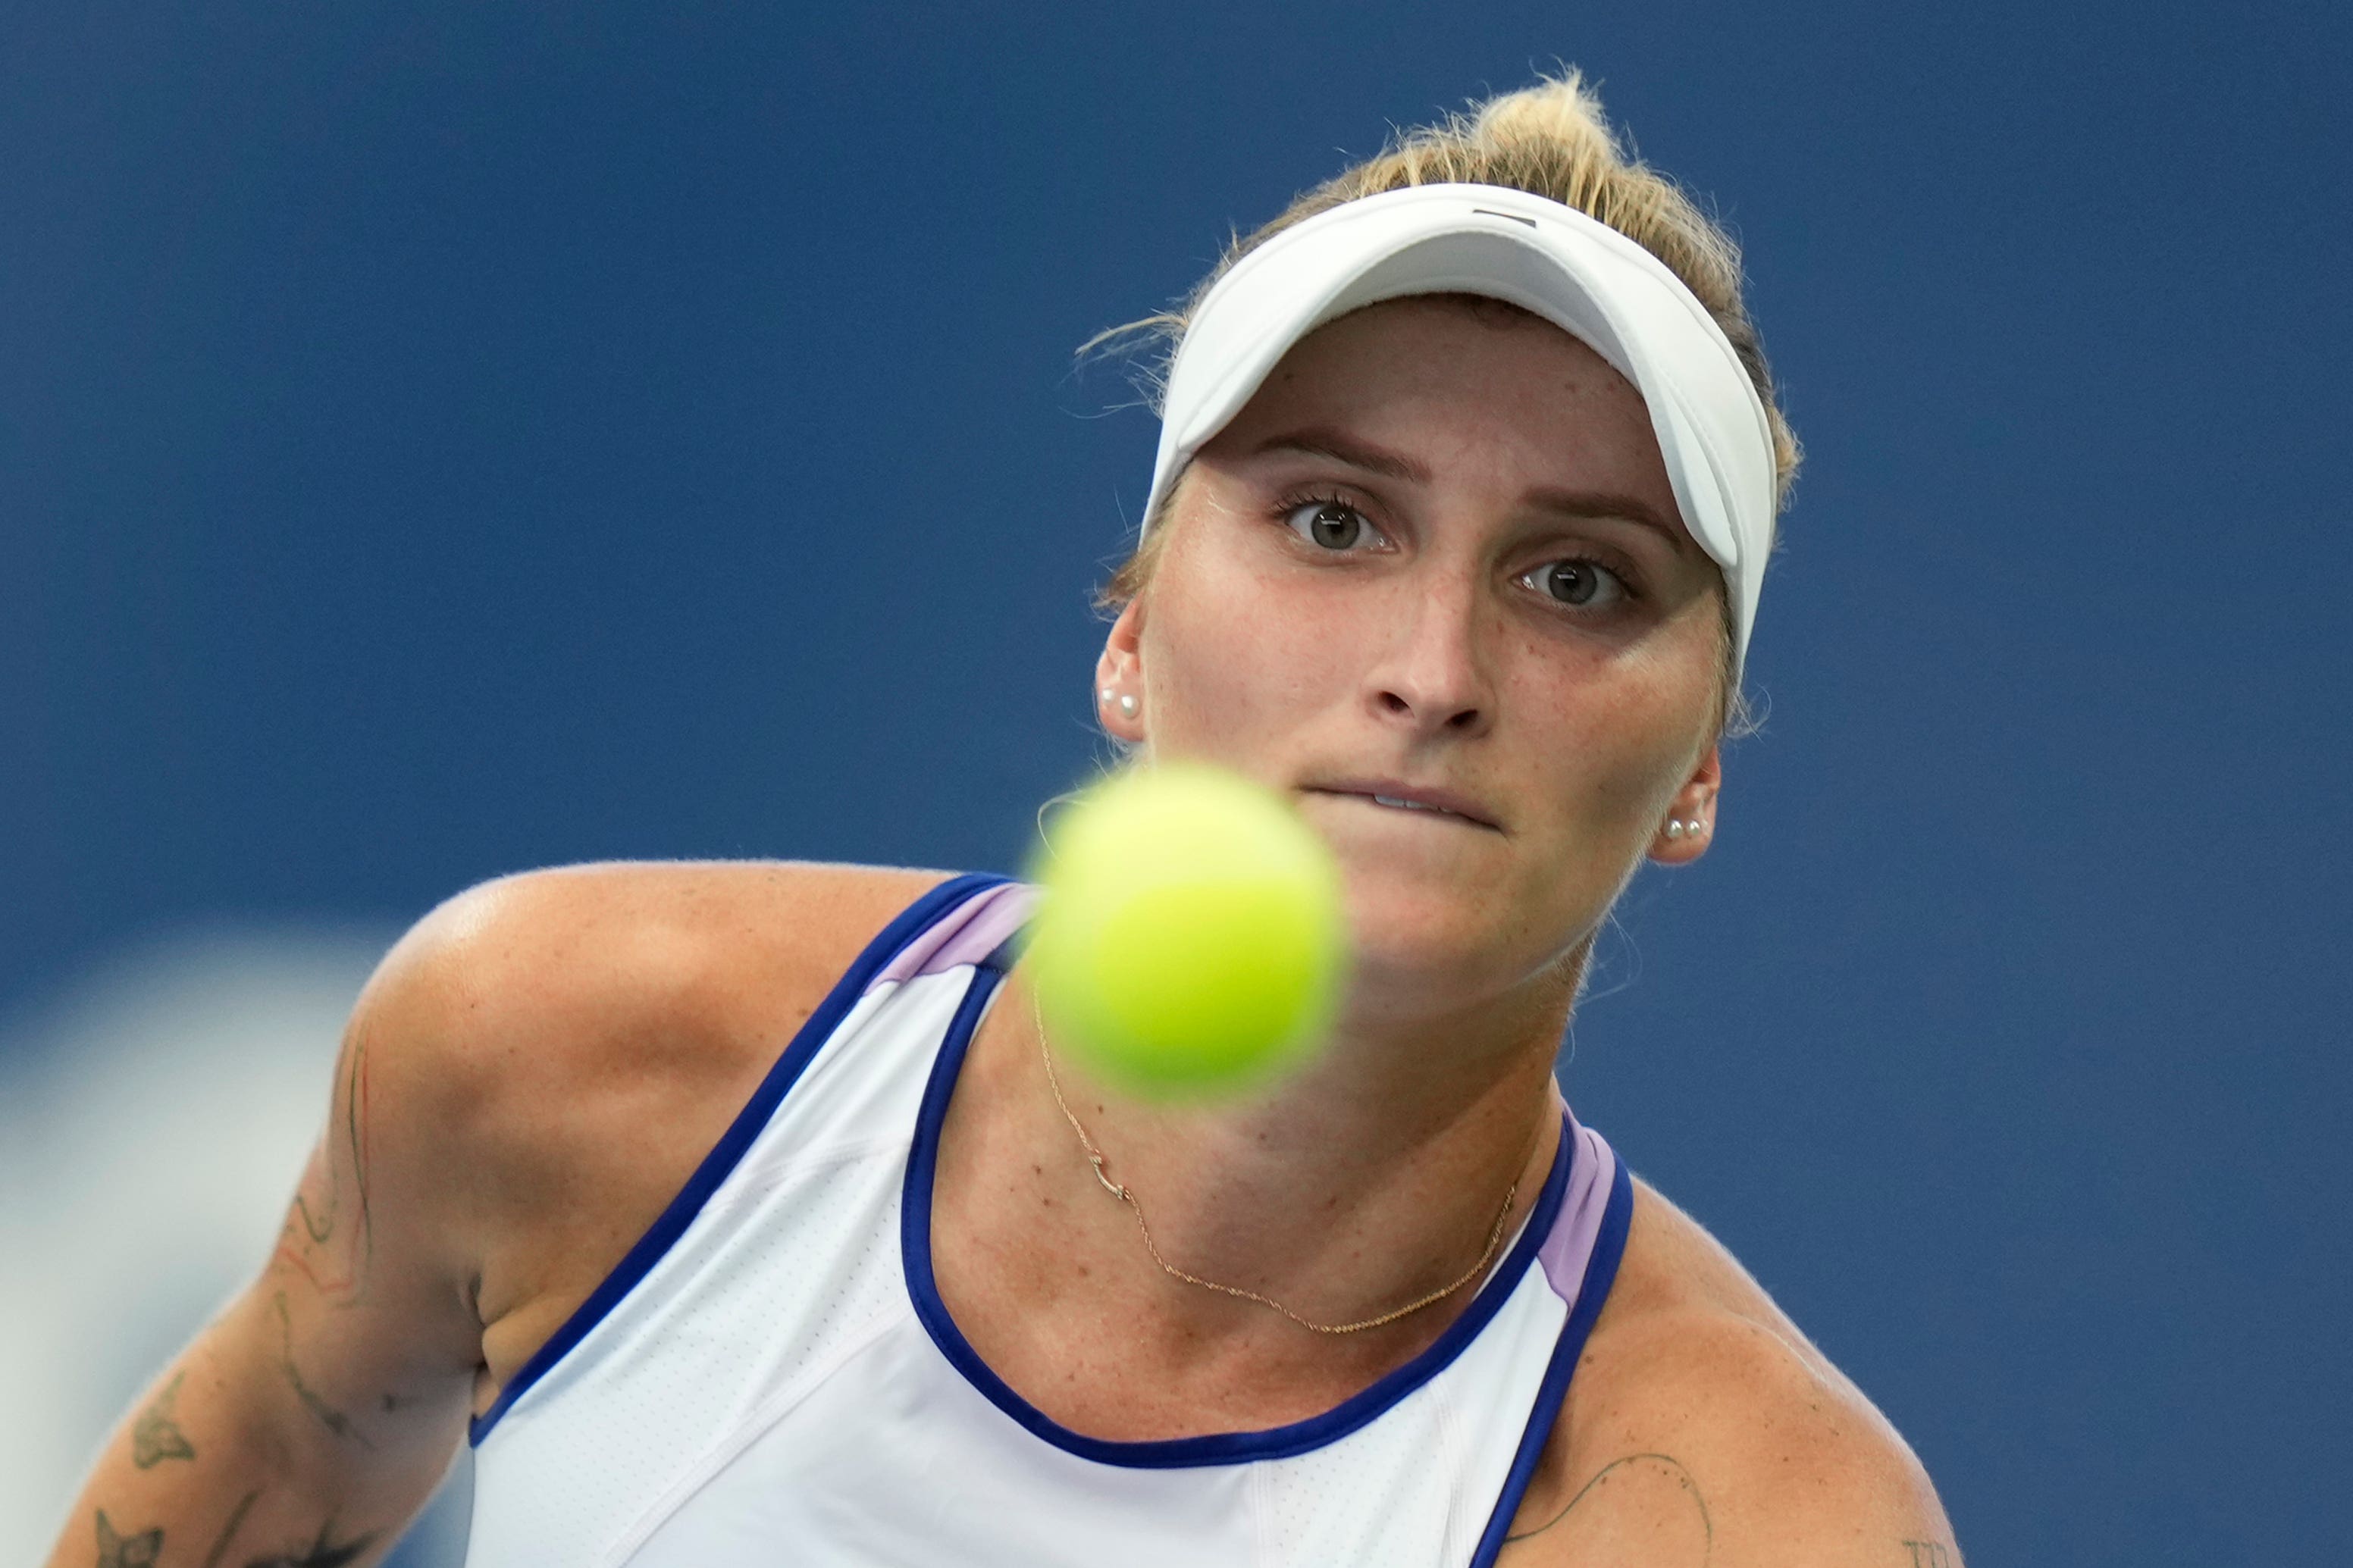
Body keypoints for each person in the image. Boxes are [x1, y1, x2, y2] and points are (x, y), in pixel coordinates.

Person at [47, 73, 1965, 1567]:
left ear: (1700, 766)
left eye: (1577, 584)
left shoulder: (1750, 1521)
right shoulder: (551, 1058)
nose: (1432, 665)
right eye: (1331, 522)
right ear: (1129, 639)